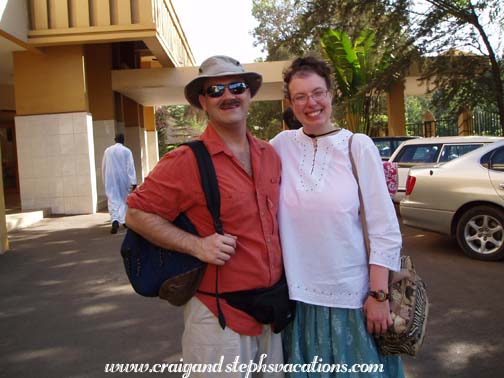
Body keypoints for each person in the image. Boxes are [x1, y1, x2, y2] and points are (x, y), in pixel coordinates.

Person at [125, 55, 285, 376]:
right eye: (216, 91)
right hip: (217, 317)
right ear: (203, 101)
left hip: (272, 312)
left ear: (249, 94)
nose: (228, 96)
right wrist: (196, 246)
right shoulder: (186, 160)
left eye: (237, 87)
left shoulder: (270, 154)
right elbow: (136, 214)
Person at [270, 56, 404, 377]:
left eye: (318, 92)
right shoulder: (279, 146)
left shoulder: (358, 146)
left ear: (331, 94)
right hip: (298, 301)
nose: (311, 103)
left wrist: (378, 295)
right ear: (290, 102)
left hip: (354, 300)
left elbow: (384, 229)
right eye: (300, 96)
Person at [102, 134, 137, 234]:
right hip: (123, 179)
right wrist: (133, 181)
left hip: (110, 178)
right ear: (123, 140)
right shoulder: (126, 151)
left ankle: (115, 220)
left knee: (113, 199)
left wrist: (105, 179)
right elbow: (130, 166)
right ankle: (123, 220)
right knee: (123, 199)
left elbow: (104, 165)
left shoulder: (107, 151)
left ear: (115, 140)